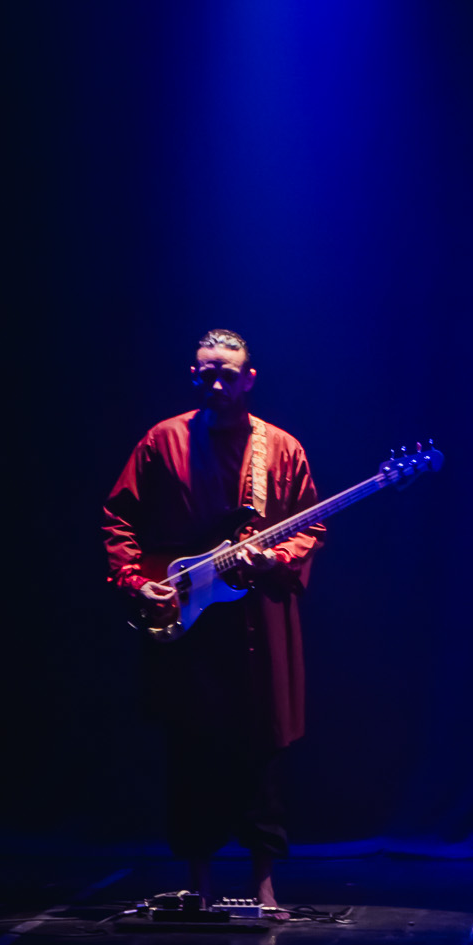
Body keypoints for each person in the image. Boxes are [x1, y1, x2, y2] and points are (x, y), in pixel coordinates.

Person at [101, 330, 325, 909]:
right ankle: (198, 886)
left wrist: (274, 555)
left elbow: (310, 525)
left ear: (250, 377)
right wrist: (135, 580)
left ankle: (264, 886)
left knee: (262, 748)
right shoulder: (163, 441)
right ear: (193, 375)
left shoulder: (280, 448)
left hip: (259, 619)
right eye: (207, 373)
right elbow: (119, 519)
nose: (217, 383)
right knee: (191, 747)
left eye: (228, 373)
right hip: (188, 617)